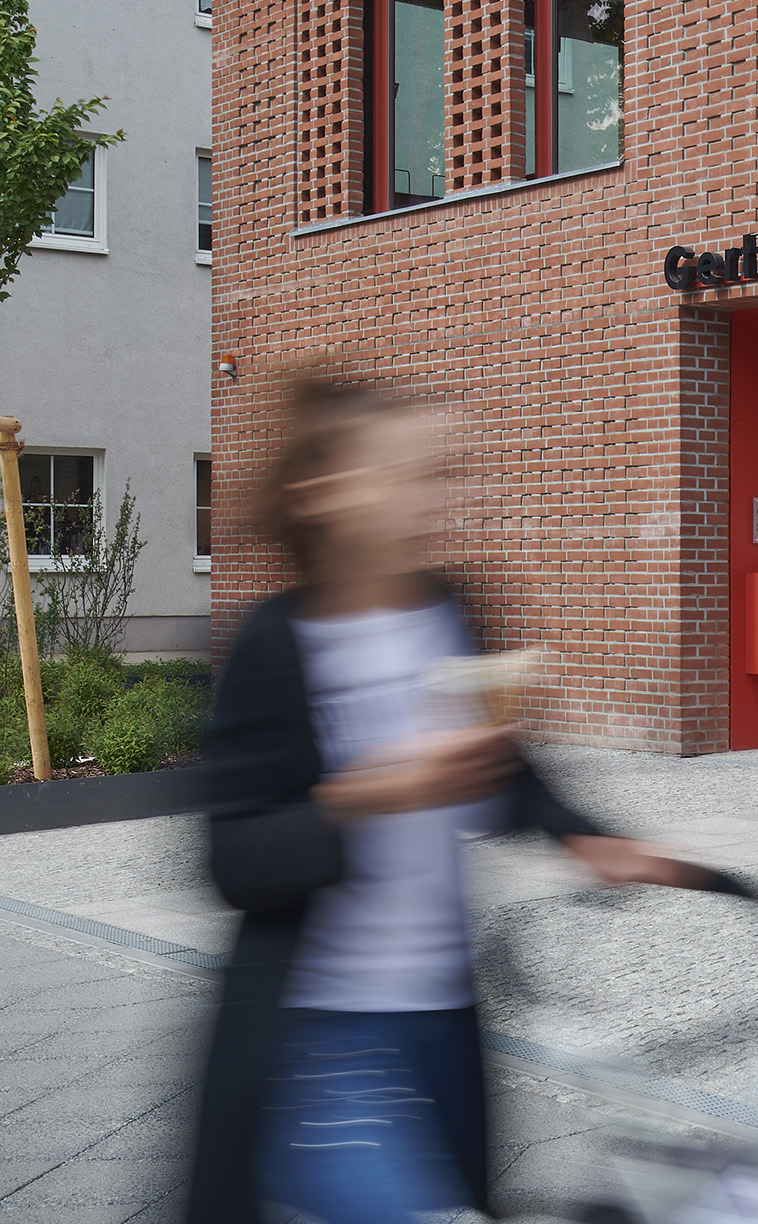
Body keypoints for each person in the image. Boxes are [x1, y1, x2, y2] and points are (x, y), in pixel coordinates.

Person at [186, 375, 705, 1224]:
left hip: (443, 1014)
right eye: (414, 476)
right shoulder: (273, 642)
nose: (448, 497)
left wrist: (583, 837)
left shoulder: (451, 609)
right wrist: (372, 795)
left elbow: (500, 768)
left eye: (450, 473)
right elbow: (235, 861)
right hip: (320, 1026)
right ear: (323, 497)